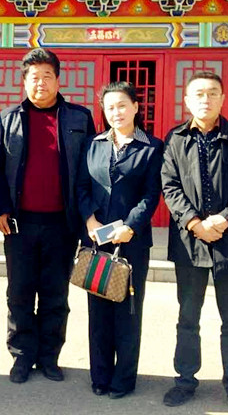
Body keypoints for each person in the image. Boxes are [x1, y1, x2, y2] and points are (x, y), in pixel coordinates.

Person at [0, 48, 95, 384]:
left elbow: (91, 170)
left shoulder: (79, 118)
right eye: (34, 77)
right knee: (19, 292)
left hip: (62, 224)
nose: (41, 83)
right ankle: (21, 356)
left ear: (58, 80)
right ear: (24, 82)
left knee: (55, 294)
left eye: (47, 76)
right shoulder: (8, 118)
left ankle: (49, 357)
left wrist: (87, 218)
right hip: (19, 224)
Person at [160, 71, 228, 414]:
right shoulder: (175, 139)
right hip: (189, 243)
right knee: (188, 317)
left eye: (212, 93)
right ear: (187, 100)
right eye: (199, 94)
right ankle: (185, 380)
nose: (206, 99)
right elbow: (170, 186)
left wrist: (223, 219)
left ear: (223, 98)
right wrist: (194, 223)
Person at [76, 82, 163, 399]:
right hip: (97, 240)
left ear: (136, 107)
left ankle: (123, 379)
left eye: (122, 105)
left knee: (127, 312)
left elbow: (151, 195)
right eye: (110, 107)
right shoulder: (93, 144)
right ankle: (99, 376)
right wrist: (89, 219)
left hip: (131, 243)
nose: (117, 112)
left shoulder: (152, 147)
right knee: (98, 311)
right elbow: (81, 186)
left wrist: (130, 226)